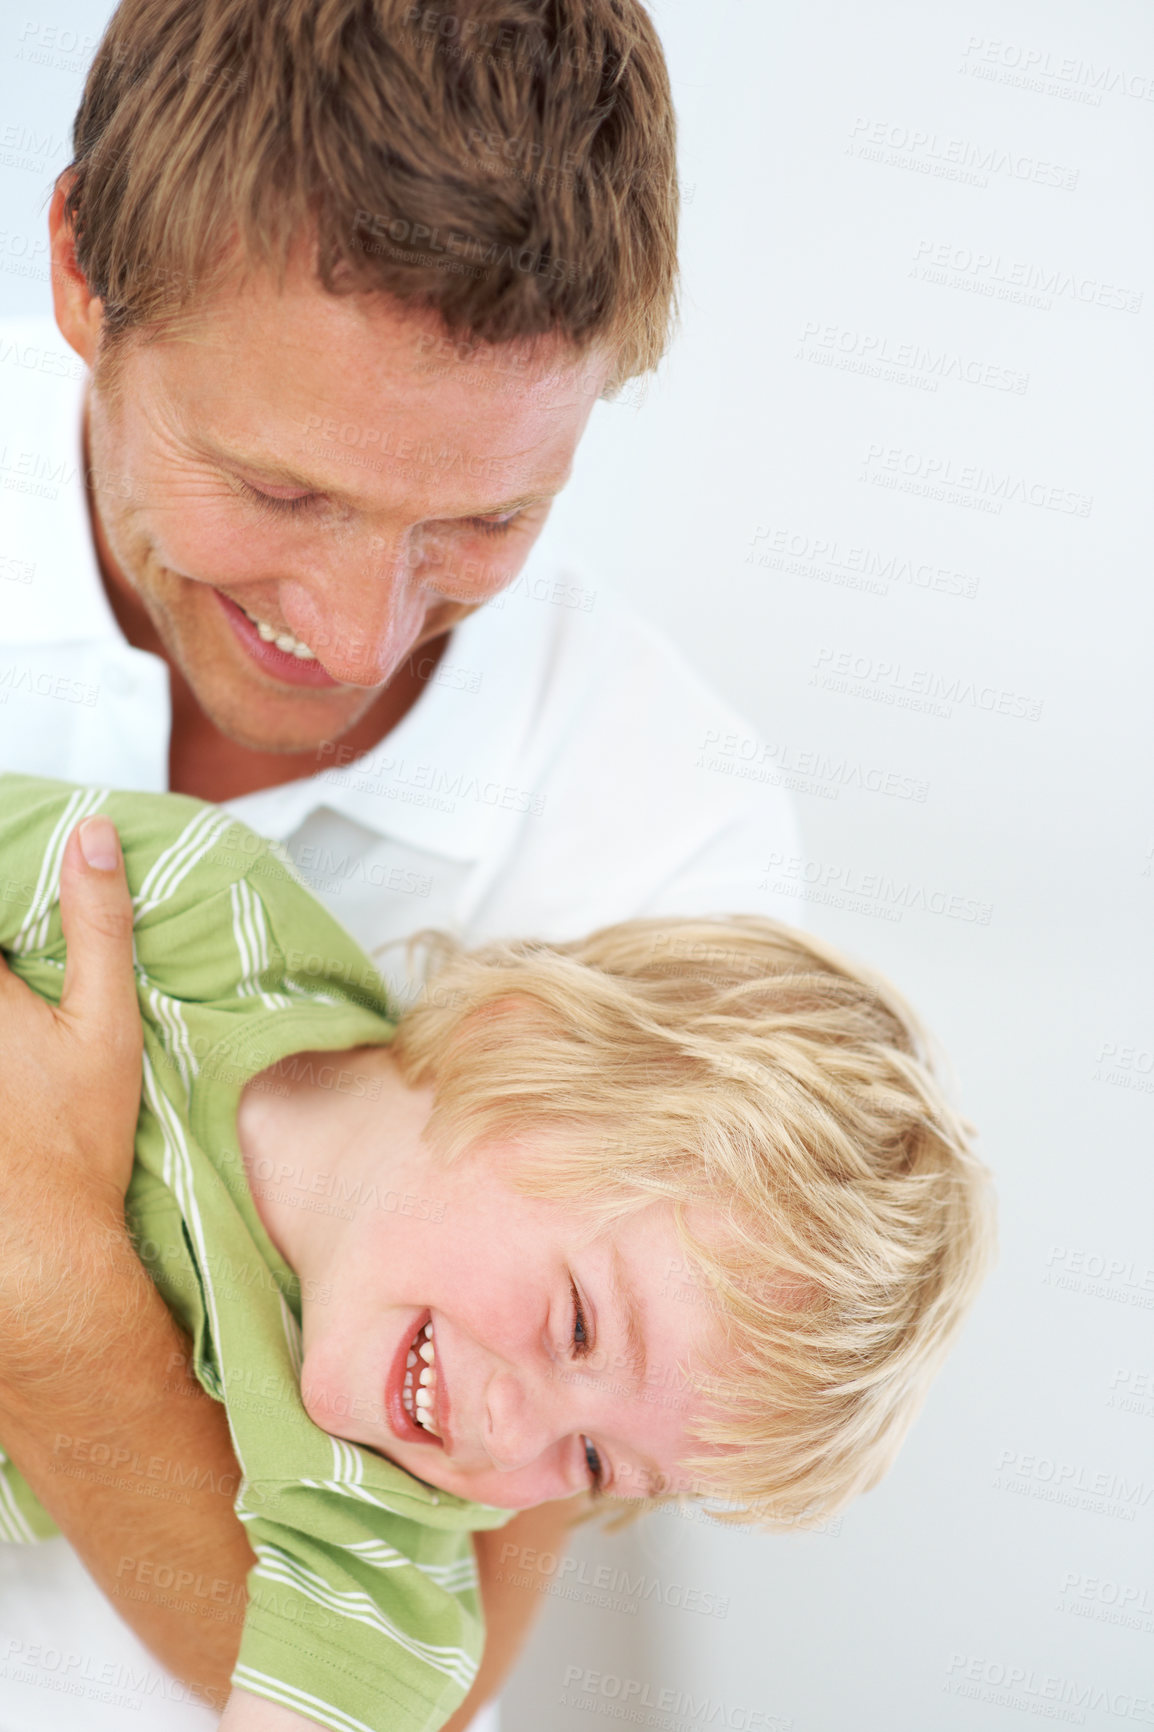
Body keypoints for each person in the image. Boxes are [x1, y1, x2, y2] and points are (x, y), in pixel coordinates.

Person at [0, 0, 806, 1727]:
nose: (355, 631)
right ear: (81, 270)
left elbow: (424, 1696)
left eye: (482, 520)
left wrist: (53, 1292)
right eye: (277, 494)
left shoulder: (663, 834)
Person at [0, 772, 994, 1732]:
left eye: (598, 1461)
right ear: (508, 1044)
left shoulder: (377, 1559)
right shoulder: (189, 910)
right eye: (576, 1326)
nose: (511, 1435)